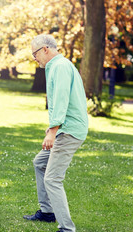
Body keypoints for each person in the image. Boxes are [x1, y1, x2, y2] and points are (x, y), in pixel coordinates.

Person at [23, 34, 88, 232]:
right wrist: (54, 128)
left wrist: (52, 131)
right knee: (40, 163)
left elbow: (61, 100)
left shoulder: (60, 67)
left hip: (69, 131)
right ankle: (47, 212)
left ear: (45, 49)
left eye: (35, 53)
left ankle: (67, 228)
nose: (34, 58)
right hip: (66, 129)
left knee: (52, 178)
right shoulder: (59, 66)